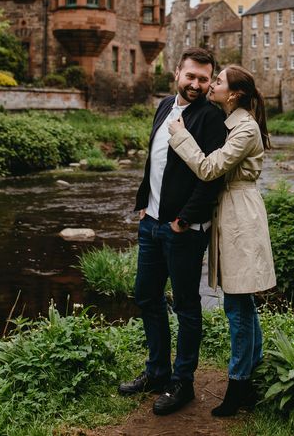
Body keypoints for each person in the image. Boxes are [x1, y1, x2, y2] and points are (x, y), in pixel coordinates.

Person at [118, 48, 227, 416]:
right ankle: (157, 372)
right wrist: (146, 208)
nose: (196, 84)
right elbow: (155, 162)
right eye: (191, 76)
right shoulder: (164, 105)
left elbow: (211, 177)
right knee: (147, 296)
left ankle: (183, 383)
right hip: (151, 223)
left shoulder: (212, 118)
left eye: (204, 79)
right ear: (177, 72)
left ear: (211, 81)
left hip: (183, 229)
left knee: (185, 306)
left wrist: (182, 220)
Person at [168, 64, 276, 417]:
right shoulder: (234, 123)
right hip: (231, 213)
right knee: (241, 301)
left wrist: (180, 135)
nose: (210, 84)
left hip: (240, 217)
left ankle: (239, 384)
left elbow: (210, 168)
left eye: (217, 81)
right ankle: (253, 367)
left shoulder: (244, 129)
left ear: (233, 94)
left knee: (237, 303)